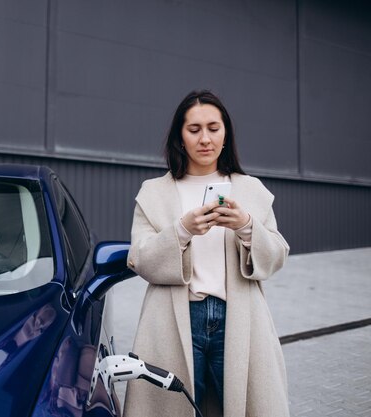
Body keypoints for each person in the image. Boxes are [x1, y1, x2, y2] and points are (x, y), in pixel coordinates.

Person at [122, 90, 290, 416]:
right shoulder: (154, 193)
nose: (205, 139)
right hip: (174, 320)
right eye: (194, 129)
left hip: (238, 320)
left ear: (226, 133)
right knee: (175, 408)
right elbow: (140, 258)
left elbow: (277, 256)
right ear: (179, 137)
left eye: (213, 128)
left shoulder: (251, 190)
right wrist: (182, 229)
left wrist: (246, 226)